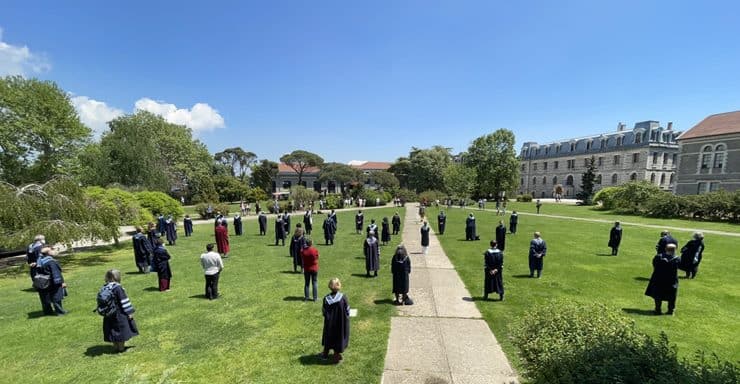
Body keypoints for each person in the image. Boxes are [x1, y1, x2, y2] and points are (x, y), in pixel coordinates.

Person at [100, 269, 138, 352]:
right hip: (119, 313)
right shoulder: (118, 288)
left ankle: (115, 347)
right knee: (121, 331)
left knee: (112, 329)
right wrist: (129, 312)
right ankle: (121, 348)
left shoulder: (104, 287)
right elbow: (124, 301)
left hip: (108, 313)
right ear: (117, 277)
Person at [645, 243, 681, 315]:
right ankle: (671, 310)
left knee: (658, 295)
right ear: (674, 250)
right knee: (672, 295)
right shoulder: (677, 259)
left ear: (665, 249)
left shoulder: (658, 257)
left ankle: (658, 309)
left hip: (659, 278)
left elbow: (654, 264)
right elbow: (679, 266)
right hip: (671, 280)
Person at [320, 278, 350, 364]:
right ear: (339, 286)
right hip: (340, 324)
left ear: (330, 286)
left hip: (329, 323)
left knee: (328, 337)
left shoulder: (326, 299)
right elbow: (347, 310)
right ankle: (336, 356)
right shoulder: (343, 298)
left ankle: (325, 354)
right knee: (338, 338)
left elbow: (324, 311)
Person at [35, 247, 67, 315]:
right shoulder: (51, 262)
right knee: (56, 297)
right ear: (48, 252)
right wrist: (61, 282)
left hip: (43, 282)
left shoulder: (40, 261)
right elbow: (56, 273)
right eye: (52, 249)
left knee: (45, 297)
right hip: (53, 283)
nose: (54, 251)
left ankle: (47, 312)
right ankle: (60, 312)